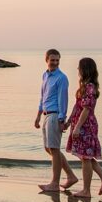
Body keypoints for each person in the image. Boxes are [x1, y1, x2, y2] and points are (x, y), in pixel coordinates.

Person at [65, 57, 102, 198]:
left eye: (79, 68)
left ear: (84, 69)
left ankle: (86, 190)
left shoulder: (90, 87)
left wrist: (78, 127)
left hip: (86, 126)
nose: (78, 70)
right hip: (80, 124)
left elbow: (86, 109)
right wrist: (68, 123)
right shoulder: (84, 86)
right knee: (86, 157)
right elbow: (77, 106)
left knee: (85, 158)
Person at [34, 48, 79, 192]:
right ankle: (71, 176)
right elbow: (43, 97)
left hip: (55, 116)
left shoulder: (62, 78)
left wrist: (62, 120)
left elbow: (63, 100)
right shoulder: (45, 75)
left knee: (54, 149)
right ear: (46, 60)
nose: (54, 63)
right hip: (46, 115)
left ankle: (54, 183)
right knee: (49, 149)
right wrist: (38, 115)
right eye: (52, 60)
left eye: (57, 60)